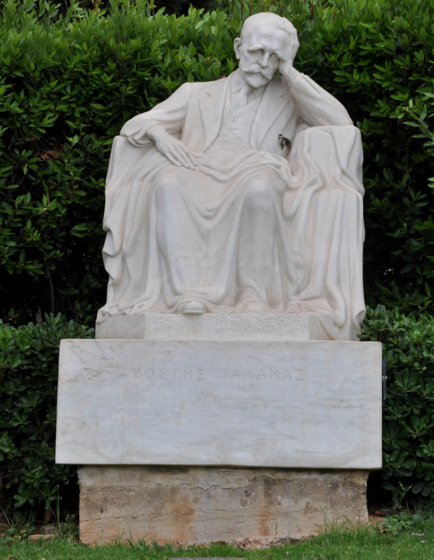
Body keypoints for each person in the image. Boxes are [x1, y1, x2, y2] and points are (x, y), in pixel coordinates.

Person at [97, 12, 365, 340]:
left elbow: (340, 122)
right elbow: (136, 124)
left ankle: (254, 296)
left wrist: (290, 72)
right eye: (257, 51)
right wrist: (161, 135)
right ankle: (188, 293)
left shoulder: (290, 97)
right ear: (239, 48)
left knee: (259, 188)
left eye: (274, 57)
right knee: (168, 183)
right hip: (201, 170)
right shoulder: (196, 94)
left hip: (258, 171)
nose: (264, 63)